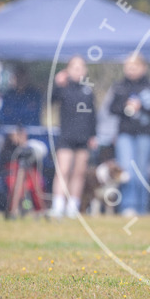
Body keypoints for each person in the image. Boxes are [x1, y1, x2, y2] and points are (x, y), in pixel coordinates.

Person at [108, 53, 150, 216]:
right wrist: (124, 105)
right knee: (127, 171)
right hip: (125, 134)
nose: (131, 70)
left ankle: (141, 207)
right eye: (129, 67)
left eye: (135, 66)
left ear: (143, 68)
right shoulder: (119, 86)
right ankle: (128, 206)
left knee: (141, 172)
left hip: (144, 134)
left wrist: (141, 107)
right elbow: (111, 109)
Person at [50, 56, 97, 218]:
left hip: (83, 138)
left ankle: (73, 206)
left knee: (79, 173)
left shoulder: (88, 90)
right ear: (68, 70)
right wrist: (56, 84)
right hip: (66, 136)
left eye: (81, 67)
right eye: (74, 68)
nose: (78, 71)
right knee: (63, 170)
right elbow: (50, 101)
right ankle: (58, 205)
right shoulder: (63, 88)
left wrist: (93, 135)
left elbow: (93, 115)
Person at [0, 63, 43, 128]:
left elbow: (34, 116)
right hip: (10, 131)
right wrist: (13, 130)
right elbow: (5, 115)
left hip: (32, 131)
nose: (20, 80)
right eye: (18, 77)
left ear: (27, 78)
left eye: (22, 77)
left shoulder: (34, 95)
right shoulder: (8, 95)